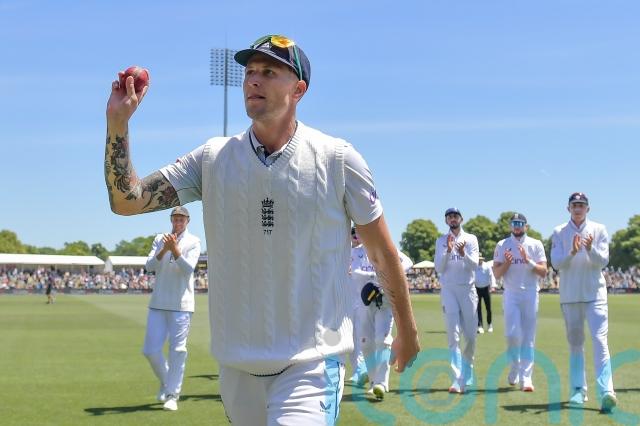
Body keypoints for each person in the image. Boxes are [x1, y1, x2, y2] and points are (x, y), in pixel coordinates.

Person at [104, 34, 420, 424]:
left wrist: (407, 329)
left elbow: (382, 252)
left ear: (298, 90)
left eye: (269, 72)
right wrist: (118, 123)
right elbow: (128, 199)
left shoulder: (338, 158)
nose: (253, 79)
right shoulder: (212, 158)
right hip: (236, 365)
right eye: (250, 71)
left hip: (313, 362)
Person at [551, 192, 617, 412]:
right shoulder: (559, 231)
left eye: (581, 205)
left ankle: (607, 391)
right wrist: (571, 252)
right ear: (568, 208)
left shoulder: (599, 229)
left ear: (588, 208)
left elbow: (603, 261)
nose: (578, 208)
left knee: (600, 341)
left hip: (595, 294)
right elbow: (557, 264)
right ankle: (578, 389)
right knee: (576, 345)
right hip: (570, 296)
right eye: (574, 205)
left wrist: (590, 248)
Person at [143, 206, 201, 411]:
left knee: (178, 350)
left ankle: (172, 395)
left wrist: (174, 249)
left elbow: (187, 269)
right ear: (171, 220)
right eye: (175, 219)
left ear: (187, 221)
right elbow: (149, 266)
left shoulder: (194, 241)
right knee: (150, 351)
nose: (178, 222)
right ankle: (166, 381)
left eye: (181, 219)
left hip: (181, 305)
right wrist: (165, 248)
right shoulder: (160, 239)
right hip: (158, 303)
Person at [350, 227, 413, 400]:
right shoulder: (355, 253)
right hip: (364, 303)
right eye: (356, 232)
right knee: (365, 343)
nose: (359, 235)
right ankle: (372, 382)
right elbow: (354, 271)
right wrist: (375, 274)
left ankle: (381, 383)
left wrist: (388, 274)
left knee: (382, 340)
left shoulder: (384, 247)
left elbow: (407, 262)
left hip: (384, 301)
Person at [492, 213, 547, 392]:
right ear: (510, 226)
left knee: (528, 337)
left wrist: (527, 261)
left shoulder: (535, 244)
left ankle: (526, 378)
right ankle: (514, 366)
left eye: (520, 223)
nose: (517, 226)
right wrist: (507, 263)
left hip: (530, 293)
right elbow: (496, 274)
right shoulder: (502, 244)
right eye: (514, 223)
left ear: (526, 226)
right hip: (511, 294)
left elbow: (543, 271)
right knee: (512, 335)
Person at [434, 207, 479, 394]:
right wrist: (447, 251)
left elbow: (474, 265)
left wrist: (462, 253)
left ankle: (467, 373)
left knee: (470, 337)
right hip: (449, 290)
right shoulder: (441, 241)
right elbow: (439, 267)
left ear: (461, 219)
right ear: (446, 221)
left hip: (467, 290)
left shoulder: (471, 239)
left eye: (455, 216)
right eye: (449, 217)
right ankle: (457, 378)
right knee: (453, 336)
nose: (452, 219)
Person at [474, 255, 495, 334]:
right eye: (478, 259)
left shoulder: (487, 266)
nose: (479, 261)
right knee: (478, 308)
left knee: (488, 308)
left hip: (486, 288)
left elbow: (491, 276)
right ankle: (480, 326)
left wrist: (493, 286)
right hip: (477, 289)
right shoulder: (474, 266)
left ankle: (489, 325)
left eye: (480, 259)